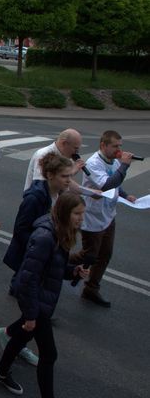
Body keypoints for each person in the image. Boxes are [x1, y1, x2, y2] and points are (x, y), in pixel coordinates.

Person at [0, 192, 89, 397]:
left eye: (82, 213)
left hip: (41, 298)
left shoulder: (59, 231)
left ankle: (1, 372)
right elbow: (28, 278)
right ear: (64, 213)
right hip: (36, 301)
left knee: (21, 336)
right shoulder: (46, 237)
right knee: (49, 354)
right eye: (77, 213)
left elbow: (52, 268)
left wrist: (73, 271)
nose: (81, 218)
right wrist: (30, 314)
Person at [0, 153, 74, 367]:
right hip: (31, 260)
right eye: (64, 176)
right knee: (34, 312)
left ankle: (10, 337)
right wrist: (42, 247)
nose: (69, 180)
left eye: (69, 175)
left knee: (33, 311)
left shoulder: (57, 195)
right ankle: (9, 353)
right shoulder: (35, 198)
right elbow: (21, 230)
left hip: (42, 260)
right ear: (50, 175)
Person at [71, 130, 137, 308]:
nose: (119, 150)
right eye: (115, 146)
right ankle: (57, 262)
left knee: (105, 254)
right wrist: (124, 166)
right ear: (103, 146)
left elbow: (115, 184)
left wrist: (125, 195)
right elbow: (106, 185)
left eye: (120, 146)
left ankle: (91, 289)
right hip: (92, 217)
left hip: (108, 216)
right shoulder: (93, 163)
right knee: (90, 254)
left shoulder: (114, 161)